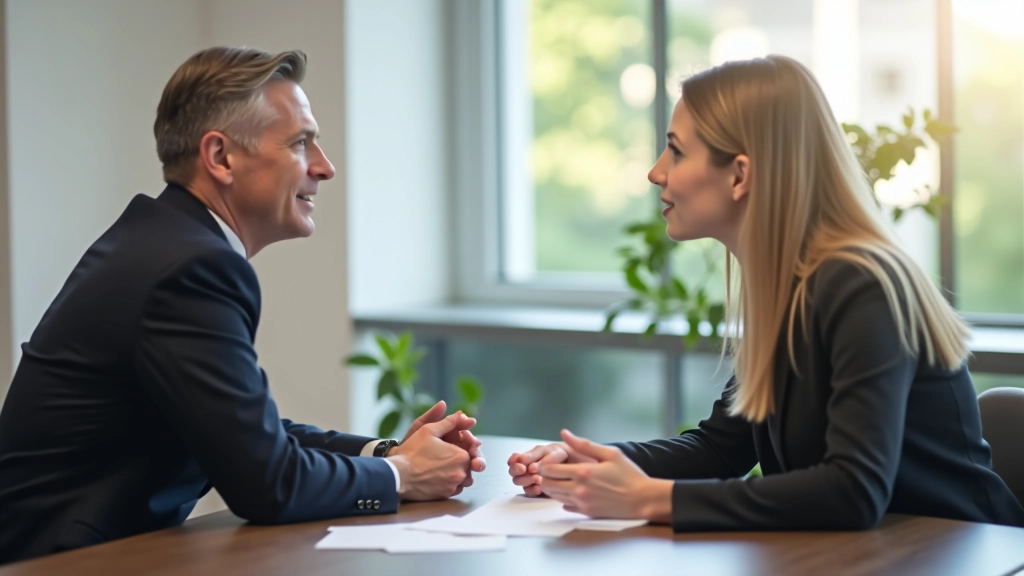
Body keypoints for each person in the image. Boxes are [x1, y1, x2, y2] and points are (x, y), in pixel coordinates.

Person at [0, 47, 484, 565]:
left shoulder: (167, 243)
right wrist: (404, 475)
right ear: (221, 157)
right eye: (301, 143)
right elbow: (267, 483)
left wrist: (387, 453)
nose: (325, 168)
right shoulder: (188, 267)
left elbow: (245, 433)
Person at [508, 55, 1024, 531]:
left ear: (740, 175)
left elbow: (854, 490)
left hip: (968, 557)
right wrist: (591, 464)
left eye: (677, 150)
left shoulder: (862, 283)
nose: (655, 171)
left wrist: (648, 499)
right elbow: (719, 449)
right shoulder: (790, 287)